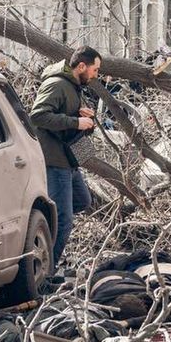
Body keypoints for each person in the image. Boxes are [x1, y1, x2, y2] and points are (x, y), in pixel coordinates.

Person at [30, 46, 101, 265]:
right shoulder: (57, 84)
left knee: (83, 200)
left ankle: (43, 242)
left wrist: (84, 121)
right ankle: (46, 271)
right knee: (63, 221)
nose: (96, 75)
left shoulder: (74, 86)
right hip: (54, 161)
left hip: (69, 160)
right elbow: (38, 116)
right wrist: (76, 121)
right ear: (81, 66)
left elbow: (67, 121)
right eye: (95, 70)